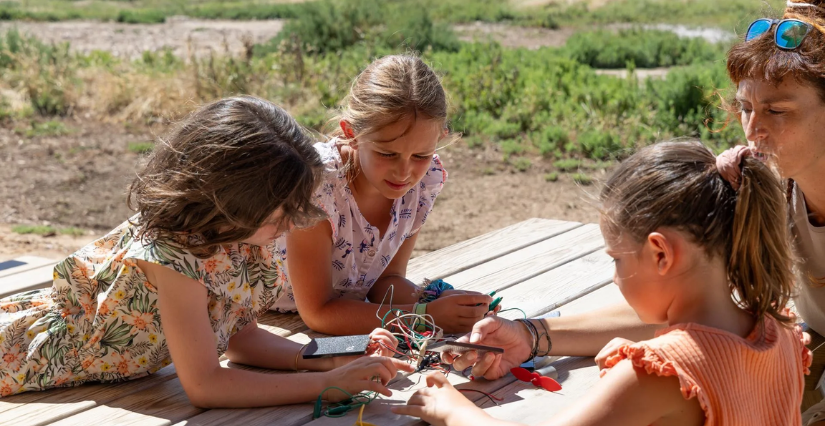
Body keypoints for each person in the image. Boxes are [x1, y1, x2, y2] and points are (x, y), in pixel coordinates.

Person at [427, 0, 825, 421]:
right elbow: (696, 306)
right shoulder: (762, 190)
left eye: (777, 111)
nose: (752, 130)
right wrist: (531, 335)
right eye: (746, 107)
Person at [0, 96, 412, 406]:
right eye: (282, 210)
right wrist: (325, 386)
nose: (292, 223)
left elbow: (237, 337)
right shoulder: (171, 258)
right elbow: (205, 385)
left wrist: (334, 354)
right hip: (18, 357)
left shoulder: (245, 236)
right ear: (229, 202)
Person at [393, 140, 812, 425]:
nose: (614, 278)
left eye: (616, 259)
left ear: (661, 254)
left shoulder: (661, 374)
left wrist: (449, 407)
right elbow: (703, 344)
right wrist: (531, 334)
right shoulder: (781, 332)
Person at [270, 54, 493, 335]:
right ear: (351, 133)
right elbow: (318, 312)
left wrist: (439, 302)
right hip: (259, 323)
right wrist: (424, 316)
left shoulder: (423, 185)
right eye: (387, 153)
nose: (404, 172)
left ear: (439, 138)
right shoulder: (317, 186)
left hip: (348, 316)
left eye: (421, 155)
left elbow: (385, 281)